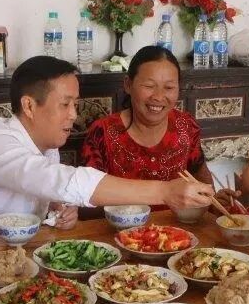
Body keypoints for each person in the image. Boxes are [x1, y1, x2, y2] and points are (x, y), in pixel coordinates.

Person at [0, 55, 214, 237]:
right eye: (65, 104)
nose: (73, 115)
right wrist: (165, 191)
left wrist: (60, 212)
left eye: (75, 104)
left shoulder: (48, 144)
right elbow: (63, 180)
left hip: (14, 257)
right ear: (29, 106)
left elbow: (53, 192)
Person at [80, 46, 212, 214]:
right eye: (149, 86)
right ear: (128, 84)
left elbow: (202, 181)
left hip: (176, 228)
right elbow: (87, 199)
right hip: (119, 228)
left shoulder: (186, 126)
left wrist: (212, 200)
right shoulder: (102, 132)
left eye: (169, 87)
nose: (158, 97)